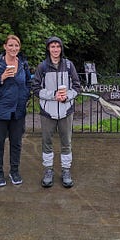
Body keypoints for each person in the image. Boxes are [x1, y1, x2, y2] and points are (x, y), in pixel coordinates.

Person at [0, 35, 31, 187]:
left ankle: (14, 171)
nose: (13, 48)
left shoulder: (23, 63)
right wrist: (2, 77)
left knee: (16, 143)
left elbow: (28, 82)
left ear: (19, 48)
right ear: (5, 47)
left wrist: (25, 96)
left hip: (18, 111)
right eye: (10, 45)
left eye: (16, 46)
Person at [32, 36, 81, 188]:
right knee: (47, 143)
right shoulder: (42, 67)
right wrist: (53, 95)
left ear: (61, 49)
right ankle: (48, 170)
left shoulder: (68, 65)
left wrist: (67, 96)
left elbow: (77, 87)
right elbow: (35, 88)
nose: (55, 49)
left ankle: (66, 170)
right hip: (47, 112)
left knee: (66, 143)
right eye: (52, 46)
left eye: (57, 46)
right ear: (48, 49)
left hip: (66, 111)